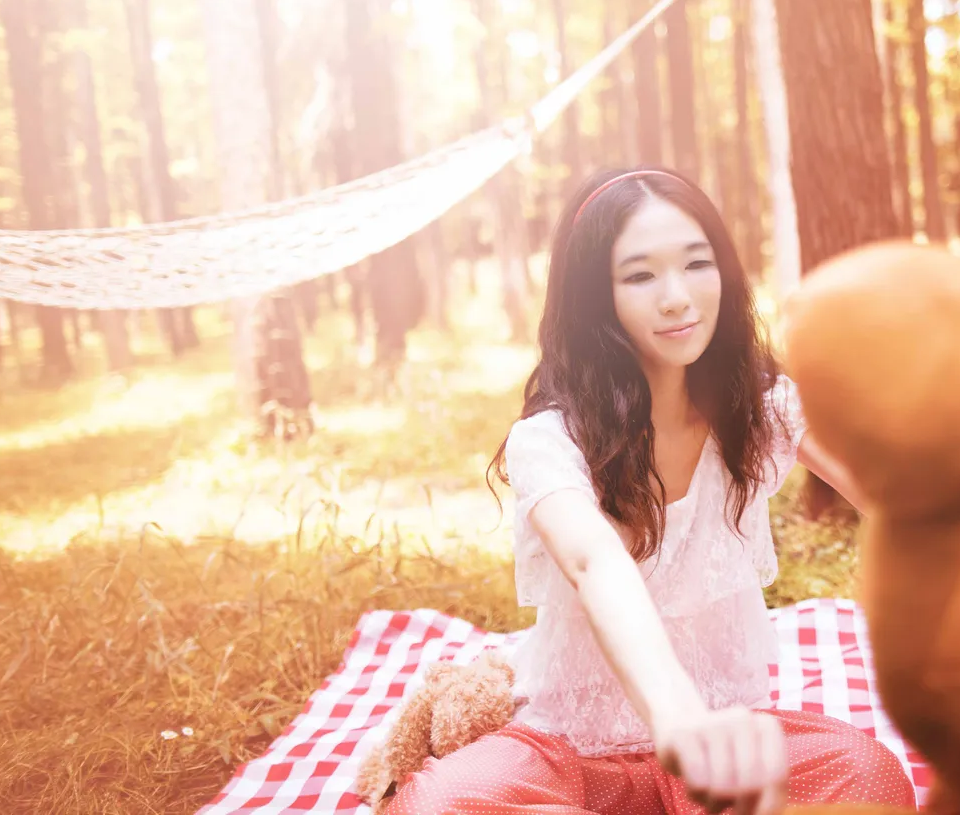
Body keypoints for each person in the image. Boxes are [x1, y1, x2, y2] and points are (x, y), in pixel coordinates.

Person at [387, 168, 915, 815]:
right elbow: (593, 562)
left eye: (697, 264)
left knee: (867, 776)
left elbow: (898, 497)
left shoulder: (760, 408)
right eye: (639, 276)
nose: (677, 298)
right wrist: (677, 719)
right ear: (595, 298)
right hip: (572, 750)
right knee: (442, 805)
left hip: (723, 743)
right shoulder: (548, 440)